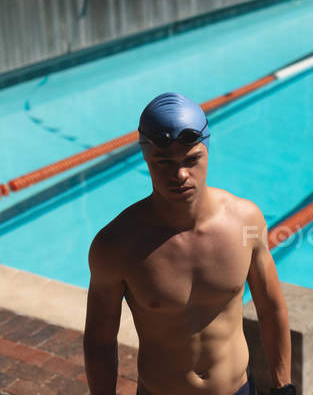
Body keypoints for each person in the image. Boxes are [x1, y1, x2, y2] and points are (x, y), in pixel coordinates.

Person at [83, 92, 296, 395]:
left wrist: (282, 386)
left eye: (192, 159)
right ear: (146, 158)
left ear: (207, 152)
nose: (180, 174)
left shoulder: (245, 220)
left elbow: (271, 307)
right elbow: (100, 341)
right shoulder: (116, 245)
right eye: (164, 162)